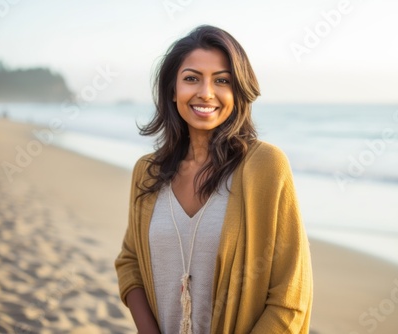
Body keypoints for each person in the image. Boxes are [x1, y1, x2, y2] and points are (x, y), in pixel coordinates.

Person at [115, 25, 312, 334]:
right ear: (172, 89)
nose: (206, 92)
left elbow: (290, 297)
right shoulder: (147, 172)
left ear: (238, 91)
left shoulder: (265, 167)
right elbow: (130, 263)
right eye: (191, 78)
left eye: (222, 81)